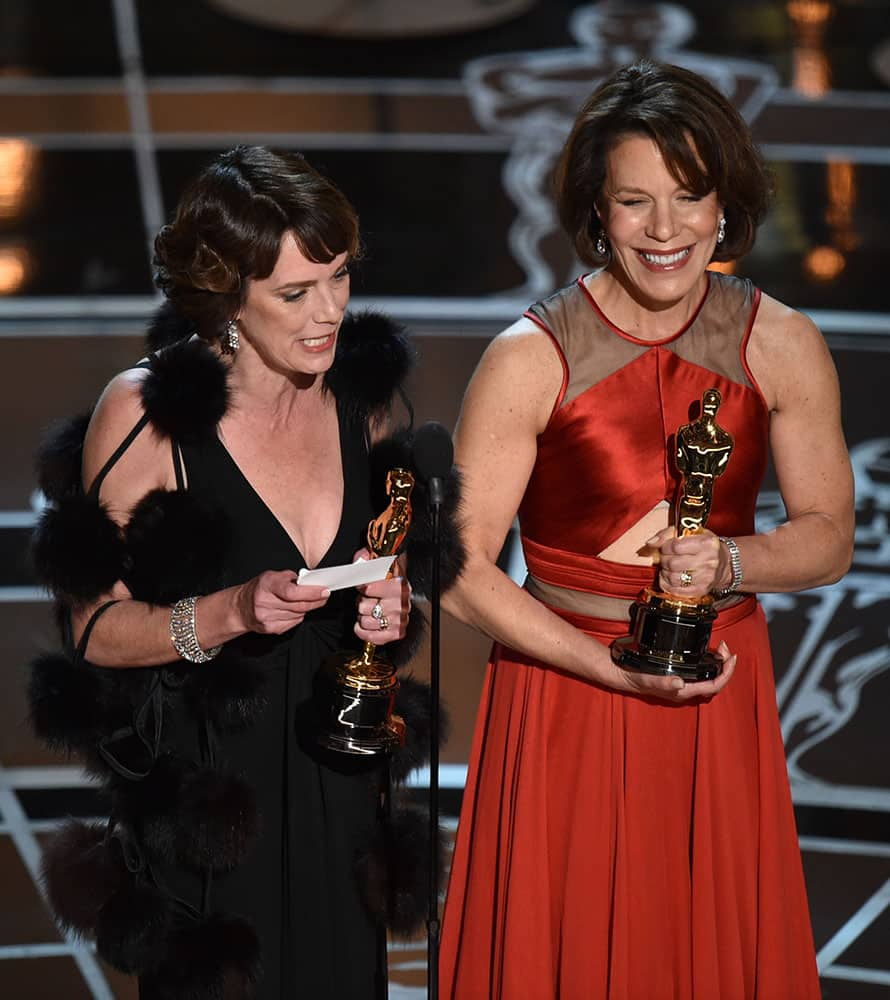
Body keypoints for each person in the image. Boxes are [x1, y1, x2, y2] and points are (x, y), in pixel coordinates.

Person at [439, 61, 853, 999]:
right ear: (596, 210)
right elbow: (458, 571)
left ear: (725, 202)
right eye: (634, 202)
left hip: (718, 689)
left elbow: (828, 537)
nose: (665, 231)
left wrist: (733, 560)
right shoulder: (527, 358)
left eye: (688, 196)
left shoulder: (782, 342)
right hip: (564, 693)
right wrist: (603, 670)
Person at [28, 145, 439, 999]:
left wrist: (386, 607)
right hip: (214, 820)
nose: (329, 311)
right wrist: (227, 614)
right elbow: (94, 630)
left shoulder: (358, 400)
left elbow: (378, 567)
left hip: (339, 792)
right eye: (295, 293)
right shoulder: (146, 416)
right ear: (226, 299)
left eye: (338, 277)